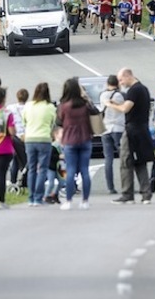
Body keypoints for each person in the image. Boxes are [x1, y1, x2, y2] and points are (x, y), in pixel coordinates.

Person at [106, 68, 155, 204]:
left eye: (121, 79)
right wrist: (118, 104)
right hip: (142, 129)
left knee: (125, 162)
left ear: (128, 76)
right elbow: (130, 106)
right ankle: (146, 194)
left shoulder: (134, 90)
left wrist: (110, 105)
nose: (120, 83)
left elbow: (125, 109)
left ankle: (127, 194)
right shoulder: (143, 89)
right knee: (140, 162)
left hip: (132, 130)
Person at [56, 77, 98, 210]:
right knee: (84, 170)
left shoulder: (63, 106)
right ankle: (85, 200)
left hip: (69, 140)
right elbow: (96, 112)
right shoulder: (85, 105)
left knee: (71, 170)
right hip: (85, 139)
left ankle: (68, 200)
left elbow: (59, 122)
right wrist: (86, 97)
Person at [22, 82, 57, 206]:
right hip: (44, 139)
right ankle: (38, 197)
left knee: (32, 168)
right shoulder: (50, 107)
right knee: (42, 169)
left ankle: (31, 198)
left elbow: (24, 121)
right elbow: (52, 123)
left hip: (30, 138)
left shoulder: (28, 105)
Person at [99, 74, 125, 194]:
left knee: (108, 159)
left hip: (105, 129)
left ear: (107, 84)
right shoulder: (120, 96)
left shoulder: (102, 95)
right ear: (118, 83)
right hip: (118, 128)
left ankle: (110, 187)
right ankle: (125, 184)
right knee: (123, 157)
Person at [7, 88, 29, 185]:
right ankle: (25, 180)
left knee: (16, 159)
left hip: (15, 136)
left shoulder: (11, 108)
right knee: (26, 160)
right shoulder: (29, 108)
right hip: (26, 136)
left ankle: (13, 180)